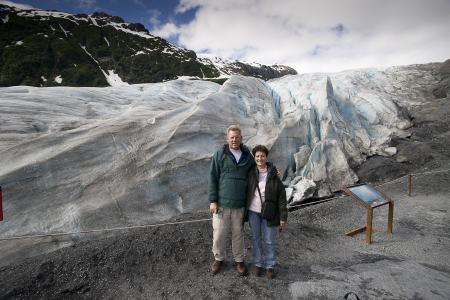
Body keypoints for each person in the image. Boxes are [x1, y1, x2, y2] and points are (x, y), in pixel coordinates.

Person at [208, 125, 255, 276]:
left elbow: (257, 172)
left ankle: (239, 260)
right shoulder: (219, 155)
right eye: (232, 137)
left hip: (239, 204)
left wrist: (273, 172)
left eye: (237, 137)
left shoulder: (248, 157)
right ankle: (218, 258)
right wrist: (213, 200)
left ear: (241, 138)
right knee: (220, 233)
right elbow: (213, 178)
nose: (234, 140)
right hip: (222, 204)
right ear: (227, 138)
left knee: (238, 234)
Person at [244, 144, 287, 279]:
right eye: (257, 156)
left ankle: (270, 266)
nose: (260, 158)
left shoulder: (274, 174)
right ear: (254, 157)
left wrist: (283, 216)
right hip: (253, 212)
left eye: (262, 156)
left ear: (266, 157)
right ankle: (258, 264)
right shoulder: (250, 172)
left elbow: (281, 197)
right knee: (256, 239)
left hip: (269, 212)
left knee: (269, 240)